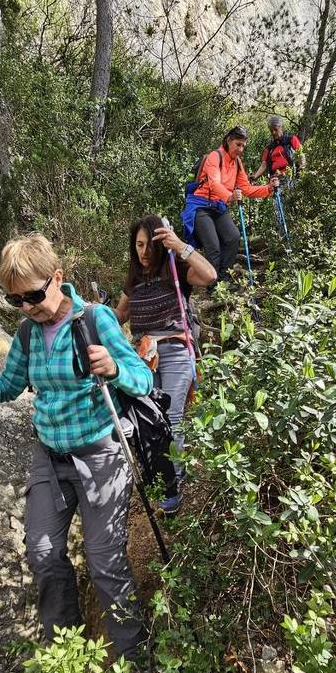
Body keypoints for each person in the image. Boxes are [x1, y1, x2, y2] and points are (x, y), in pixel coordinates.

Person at [0, 233, 154, 669]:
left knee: (104, 561)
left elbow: (142, 380)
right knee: (44, 554)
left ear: (57, 278)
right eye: (16, 300)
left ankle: (135, 660)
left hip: (102, 456)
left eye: (33, 294)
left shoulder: (97, 319)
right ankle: (66, 657)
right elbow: (8, 386)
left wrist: (115, 368)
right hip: (50, 458)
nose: (28, 306)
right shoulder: (28, 334)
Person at [115, 216, 216, 513]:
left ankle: (174, 481)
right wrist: (94, 314)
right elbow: (120, 315)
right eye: (139, 245)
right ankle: (161, 476)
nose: (144, 252)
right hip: (143, 355)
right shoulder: (134, 278)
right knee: (148, 419)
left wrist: (181, 246)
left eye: (149, 245)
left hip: (174, 348)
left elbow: (209, 275)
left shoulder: (175, 267)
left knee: (171, 416)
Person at [181, 126, 279, 289]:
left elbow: (246, 188)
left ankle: (223, 279)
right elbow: (214, 184)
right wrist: (230, 196)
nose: (240, 149)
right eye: (238, 144)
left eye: (243, 146)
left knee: (233, 237)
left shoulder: (237, 163)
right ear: (228, 141)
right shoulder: (215, 156)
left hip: (218, 206)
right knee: (214, 247)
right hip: (200, 206)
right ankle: (213, 286)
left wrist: (268, 188)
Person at [250, 115, 306, 181]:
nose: (273, 132)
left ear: (281, 127)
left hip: (290, 176)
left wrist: (302, 171)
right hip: (275, 178)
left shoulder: (291, 140)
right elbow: (264, 165)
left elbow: (300, 154)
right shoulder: (269, 148)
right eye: (271, 131)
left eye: (276, 129)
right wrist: (254, 177)